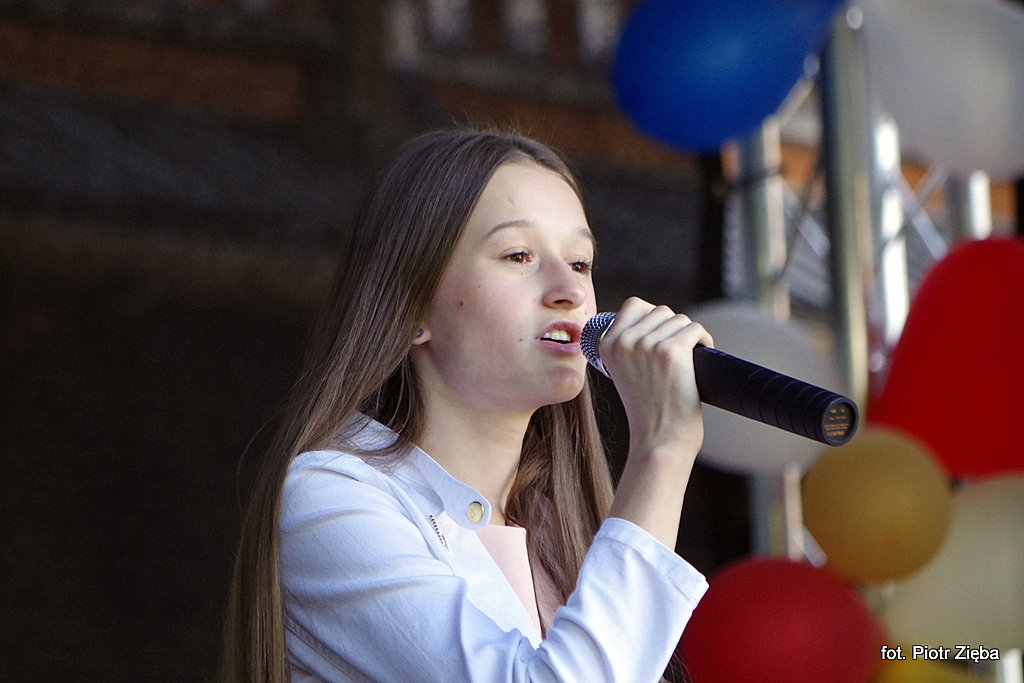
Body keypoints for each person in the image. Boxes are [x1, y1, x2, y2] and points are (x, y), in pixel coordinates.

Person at [219, 128, 714, 683]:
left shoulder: (560, 532)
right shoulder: (331, 497)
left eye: (580, 262)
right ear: (412, 309)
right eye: (518, 255)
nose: (570, 290)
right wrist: (662, 449)